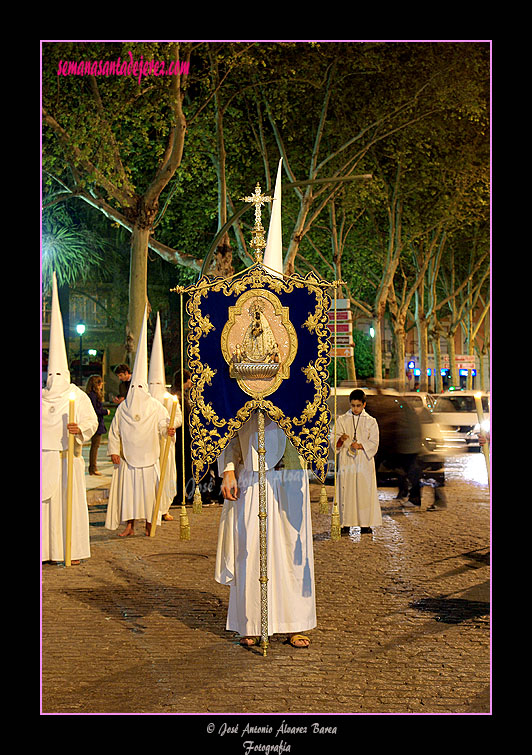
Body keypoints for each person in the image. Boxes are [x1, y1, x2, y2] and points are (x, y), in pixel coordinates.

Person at [216, 412, 316, 648]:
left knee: (291, 551)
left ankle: (295, 623)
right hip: (250, 476)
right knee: (250, 548)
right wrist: (228, 469)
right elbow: (227, 426)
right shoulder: (239, 387)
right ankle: (251, 623)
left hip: (289, 476)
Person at [42, 273, 98, 564]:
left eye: (59, 373)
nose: (55, 379)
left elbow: (92, 423)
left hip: (68, 459)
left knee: (66, 505)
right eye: (51, 374)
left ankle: (69, 550)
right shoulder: (41, 398)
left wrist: (80, 429)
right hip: (44, 460)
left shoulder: (77, 394)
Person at [105, 309, 176, 537]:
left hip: (149, 458)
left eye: (139, 387)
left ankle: (149, 524)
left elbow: (164, 424)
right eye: (132, 387)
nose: (135, 391)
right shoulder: (123, 409)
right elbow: (114, 432)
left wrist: (169, 429)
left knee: (148, 495)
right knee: (129, 494)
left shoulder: (155, 406)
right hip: (129, 461)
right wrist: (114, 450)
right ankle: (129, 525)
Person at [333, 389, 381, 534]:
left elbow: (374, 442)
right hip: (347, 460)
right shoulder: (342, 420)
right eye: (353, 405)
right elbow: (334, 440)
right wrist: (340, 440)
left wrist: (360, 446)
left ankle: (365, 524)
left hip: (363, 462)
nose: (355, 409)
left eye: (358, 405)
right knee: (346, 491)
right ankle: (345, 523)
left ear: (364, 404)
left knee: (364, 491)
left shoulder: (371, 421)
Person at [171, 368, 193, 506]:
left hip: (183, 436)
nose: (191, 382)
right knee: (183, 466)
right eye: (189, 379)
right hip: (182, 437)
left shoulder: (182, 395)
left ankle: (182, 493)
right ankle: (182, 493)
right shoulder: (178, 397)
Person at [85, 374, 110, 476]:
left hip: (97, 422)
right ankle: (93, 468)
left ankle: (93, 467)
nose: (102, 385)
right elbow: (95, 410)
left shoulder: (91, 395)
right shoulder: (93, 396)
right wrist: (105, 411)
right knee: (95, 446)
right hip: (96, 422)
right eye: (100, 383)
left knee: (95, 445)